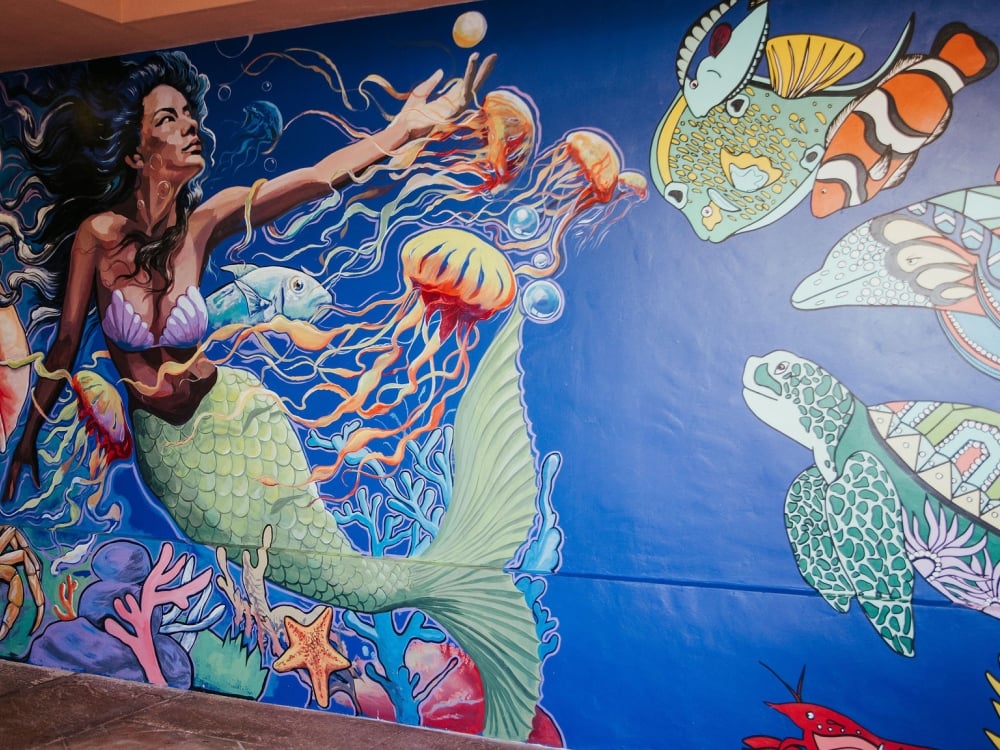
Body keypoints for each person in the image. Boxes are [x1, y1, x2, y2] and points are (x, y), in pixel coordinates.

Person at [0, 49, 545, 741]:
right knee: (301, 570)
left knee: (342, 572)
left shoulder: (206, 223)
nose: (189, 127)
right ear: (136, 152)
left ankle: (461, 577)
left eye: (189, 114)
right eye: (168, 119)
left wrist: (402, 130)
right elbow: (65, 345)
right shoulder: (99, 237)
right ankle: (460, 580)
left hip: (240, 415)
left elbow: (315, 178)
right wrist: (25, 440)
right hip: (180, 459)